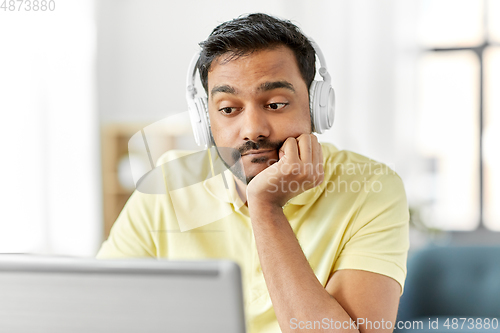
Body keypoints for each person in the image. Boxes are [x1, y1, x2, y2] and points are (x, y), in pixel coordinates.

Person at [97, 13, 409, 333]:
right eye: (229, 109)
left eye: (275, 104)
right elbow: (101, 312)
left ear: (317, 108)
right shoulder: (167, 183)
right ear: (204, 122)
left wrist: (266, 207)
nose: (253, 130)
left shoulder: (372, 186)